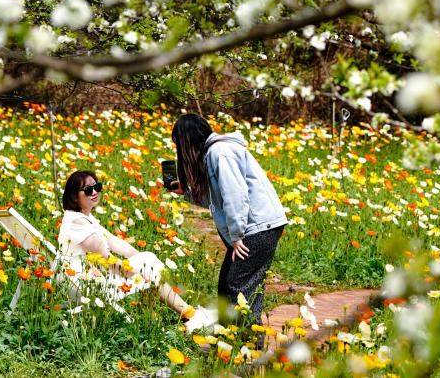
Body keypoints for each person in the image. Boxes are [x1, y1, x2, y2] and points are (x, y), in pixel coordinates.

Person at [168, 113, 287, 336]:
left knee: (239, 287)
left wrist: (237, 235)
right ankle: (230, 339)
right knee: (228, 285)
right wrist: (187, 192)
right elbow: (217, 199)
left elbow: (236, 196)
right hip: (257, 226)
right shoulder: (214, 153)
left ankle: (248, 343)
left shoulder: (220, 152)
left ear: (187, 141)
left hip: (257, 227)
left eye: (179, 144)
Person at [58, 169, 217, 332]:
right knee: (146, 269)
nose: (94, 192)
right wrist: (138, 273)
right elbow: (107, 259)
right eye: (88, 190)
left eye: (97, 187)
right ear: (74, 196)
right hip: (84, 283)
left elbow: (114, 242)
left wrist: (142, 259)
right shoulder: (77, 222)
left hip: (91, 274)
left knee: (147, 262)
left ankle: (171, 315)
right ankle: (189, 315)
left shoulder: (83, 217)